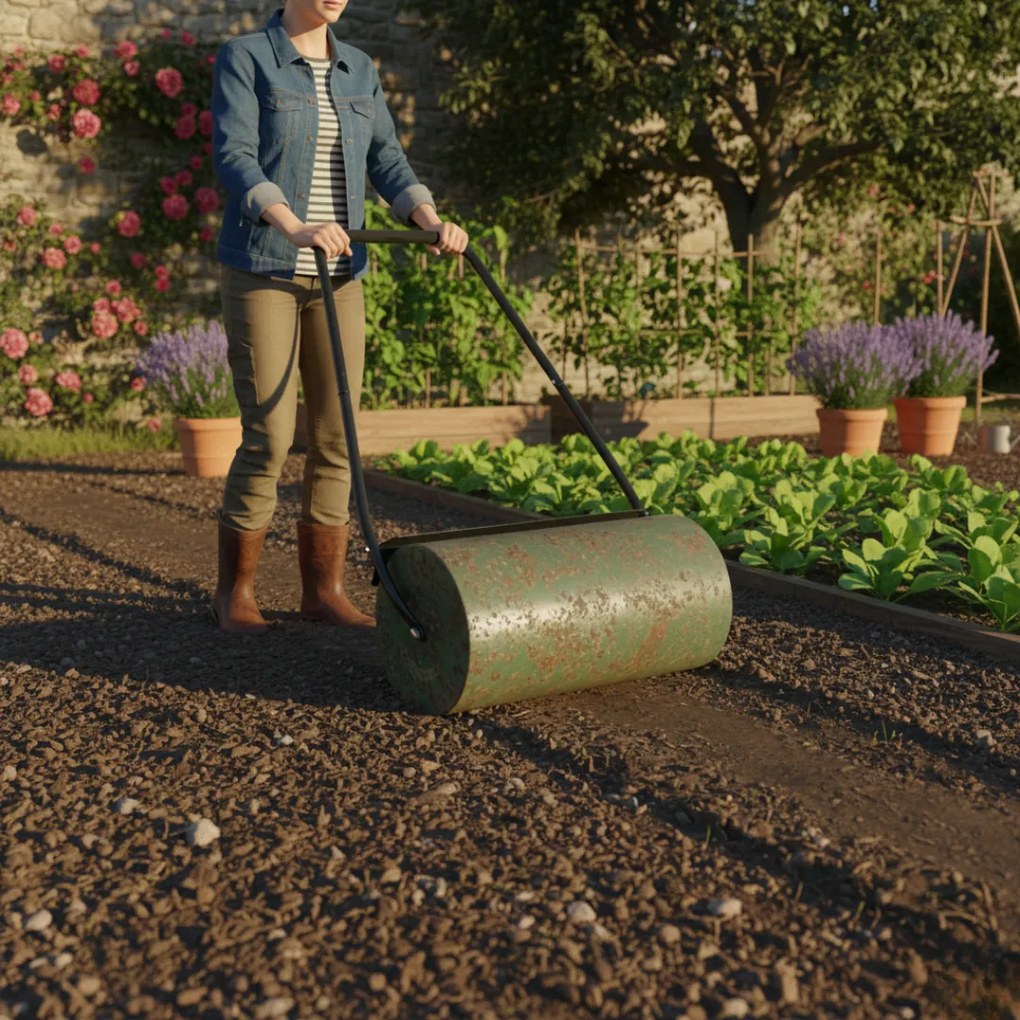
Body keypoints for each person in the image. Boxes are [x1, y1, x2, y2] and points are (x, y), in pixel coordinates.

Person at [209, 0, 468, 634]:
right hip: (266, 266)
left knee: (336, 435)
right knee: (269, 435)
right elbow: (235, 156)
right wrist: (294, 225)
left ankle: (321, 592)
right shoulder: (247, 58)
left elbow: (387, 159)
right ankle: (235, 593)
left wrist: (430, 221)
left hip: (340, 274)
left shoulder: (358, 67)